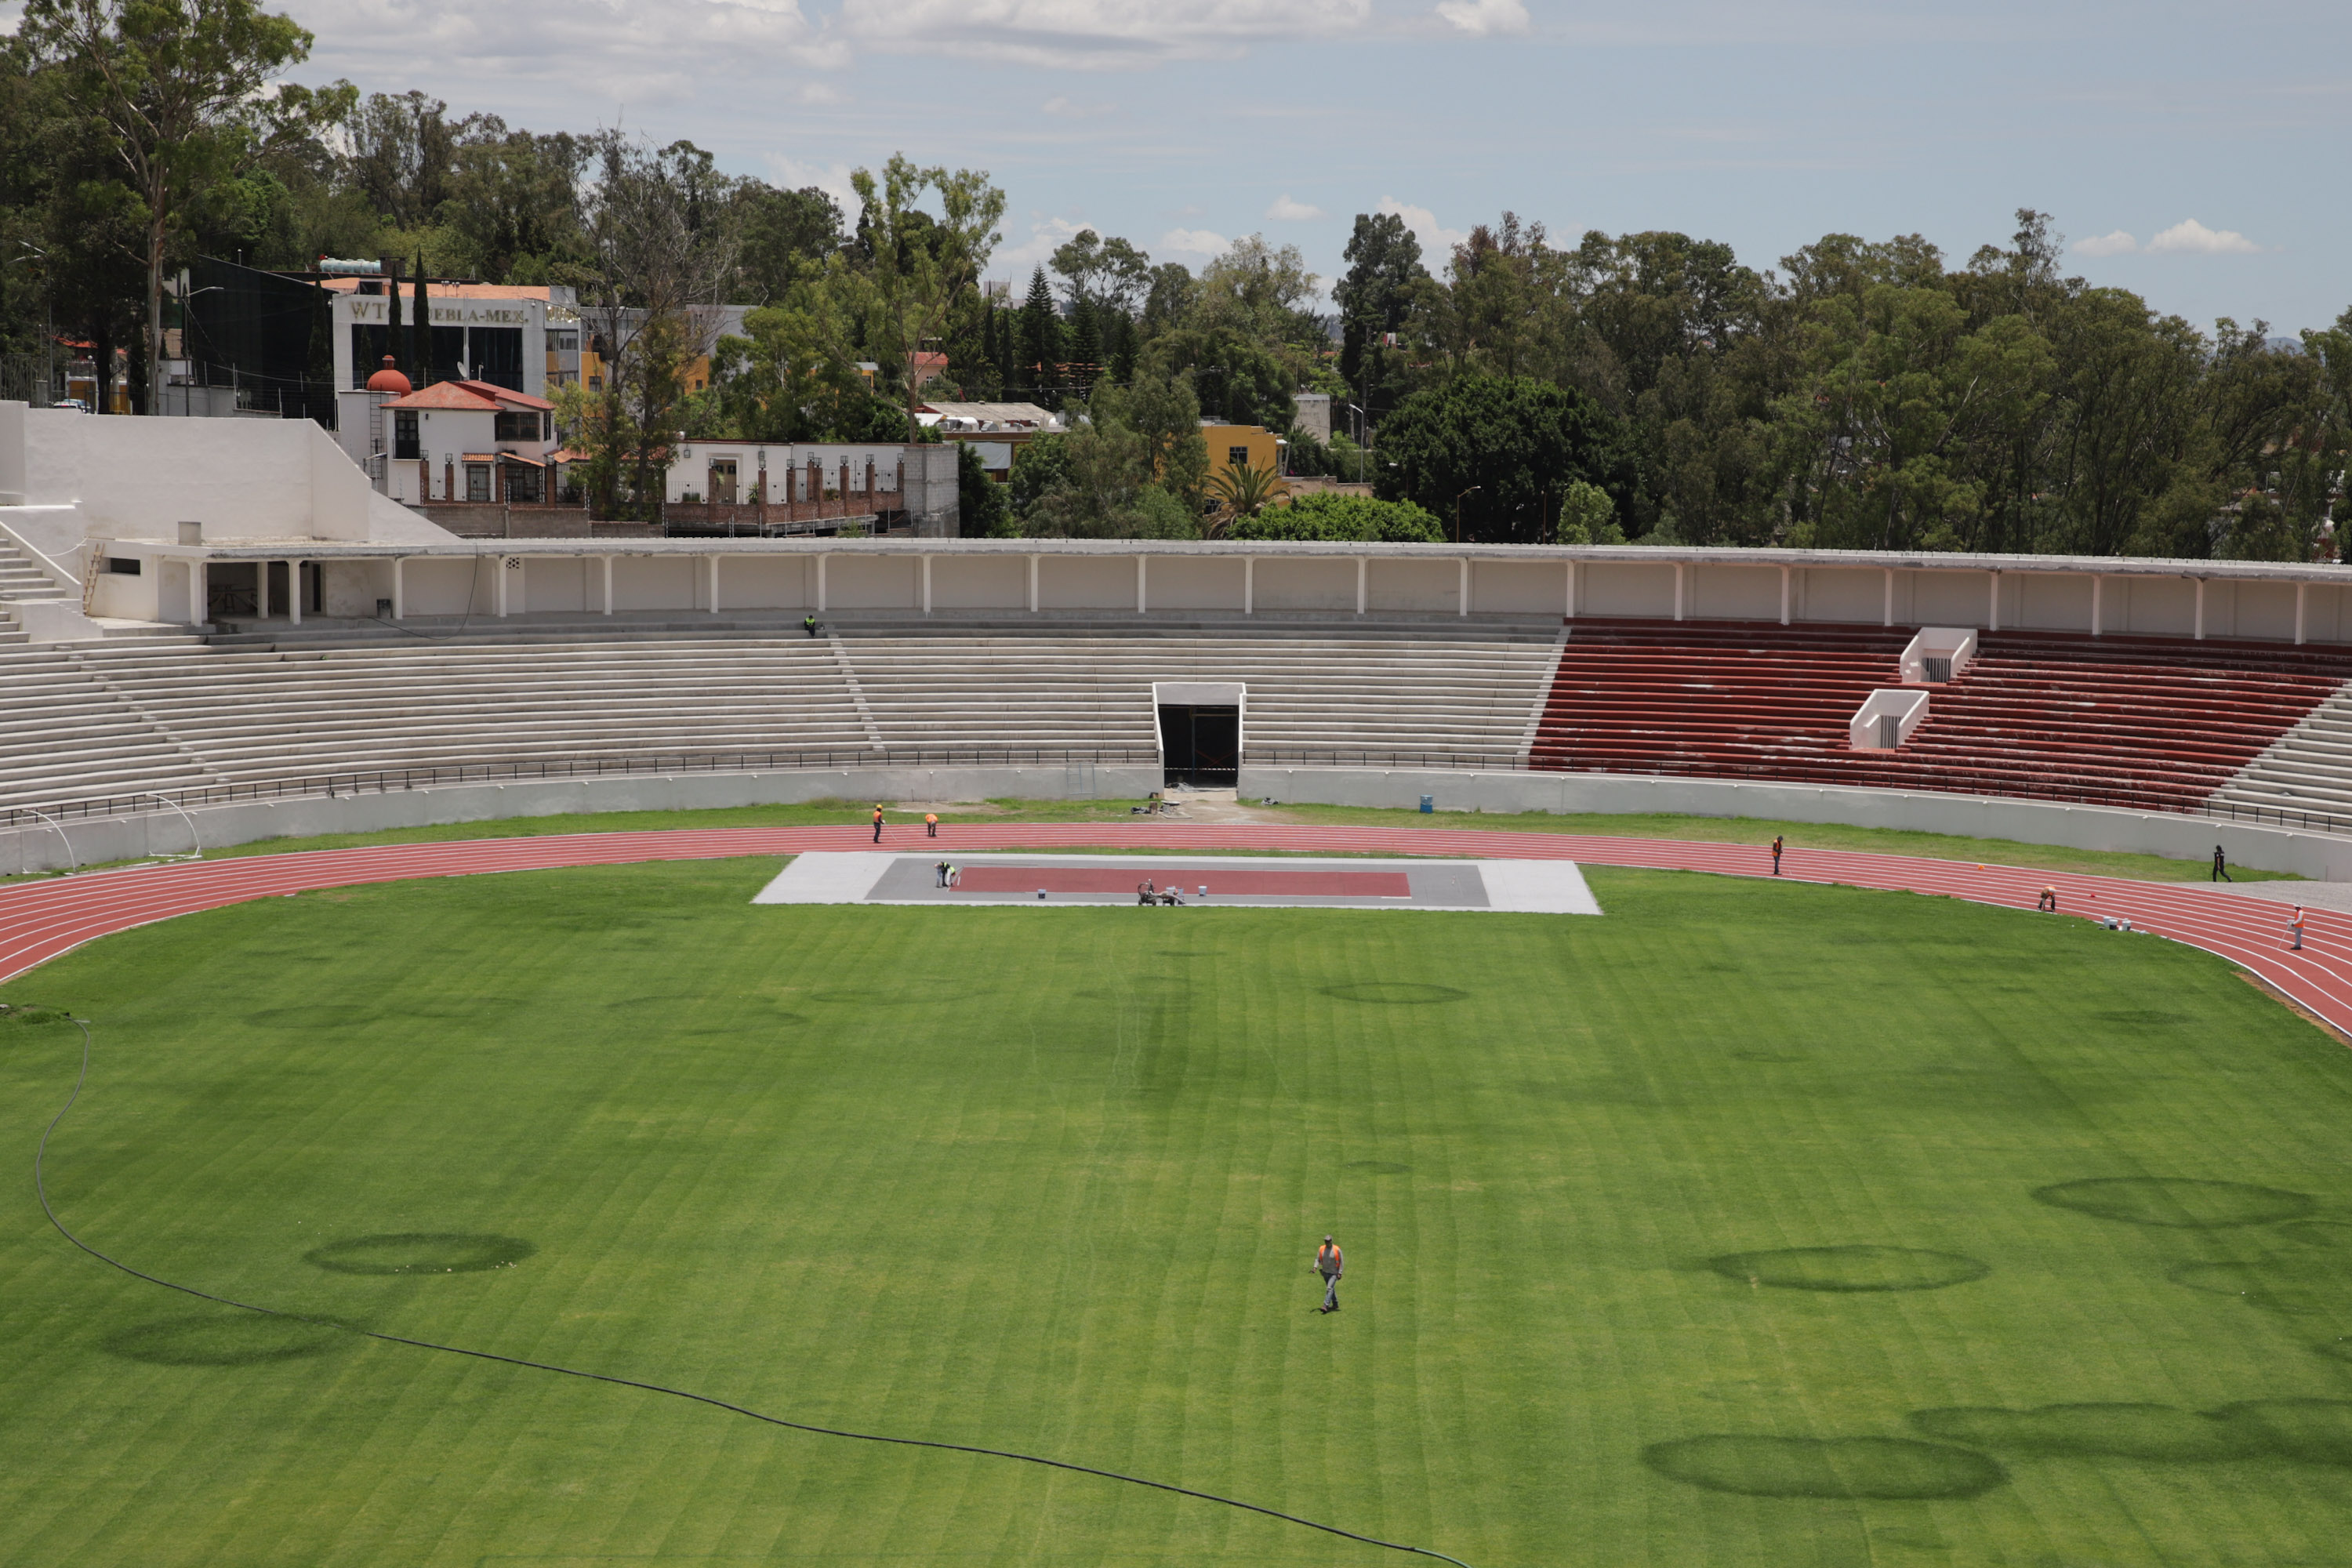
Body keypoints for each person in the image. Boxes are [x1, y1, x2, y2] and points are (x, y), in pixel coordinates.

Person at [1315, 1235, 1344, 1312]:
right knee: (1331, 1288)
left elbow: (1341, 1262)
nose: (1327, 1242)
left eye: (1328, 1241)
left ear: (1331, 1241)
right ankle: (1335, 1304)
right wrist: (1315, 1268)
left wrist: (1340, 1272)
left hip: (1334, 1273)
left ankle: (1325, 1305)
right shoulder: (1321, 1249)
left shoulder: (1337, 1250)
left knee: (1329, 1288)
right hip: (1325, 1272)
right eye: (1326, 1241)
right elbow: (1317, 1259)